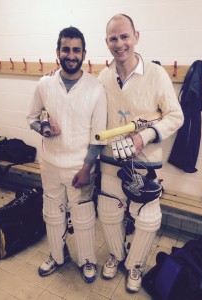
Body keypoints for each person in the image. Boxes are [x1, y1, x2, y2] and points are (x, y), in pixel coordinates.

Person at [96, 14, 184, 293]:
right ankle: (116, 255)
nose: (119, 44)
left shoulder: (156, 74)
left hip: (146, 162)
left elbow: (175, 116)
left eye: (125, 36)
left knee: (147, 220)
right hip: (111, 160)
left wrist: (145, 136)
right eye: (113, 38)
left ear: (136, 37)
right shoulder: (103, 77)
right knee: (108, 212)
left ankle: (134, 265)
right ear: (107, 42)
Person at [26, 26, 107, 283]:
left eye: (76, 50)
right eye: (66, 49)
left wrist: (86, 168)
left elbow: (99, 135)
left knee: (82, 217)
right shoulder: (45, 84)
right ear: (58, 52)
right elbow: (31, 117)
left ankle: (87, 260)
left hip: (79, 168)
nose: (71, 55)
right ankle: (56, 255)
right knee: (51, 212)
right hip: (49, 165)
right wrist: (44, 128)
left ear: (84, 53)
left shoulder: (96, 88)